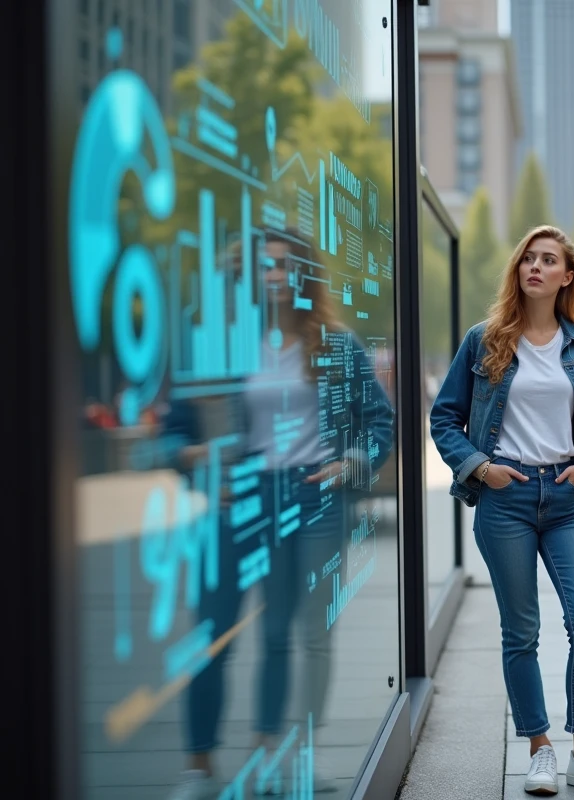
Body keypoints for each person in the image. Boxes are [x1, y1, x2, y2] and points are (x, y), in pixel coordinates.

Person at [169, 228, 396, 799]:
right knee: (212, 633)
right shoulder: (216, 347)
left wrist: (351, 464)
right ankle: (198, 767)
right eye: (261, 267)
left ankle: (284, 755)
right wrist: (194, 457)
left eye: (284, 265)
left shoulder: (336, 346)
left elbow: (381, 426)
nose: (273, 276)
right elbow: (172, 433)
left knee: (289, 634)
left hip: (312, 497)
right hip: (241, 497)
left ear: (304, 275)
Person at [429, 226, 574, 796]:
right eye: (529, 258)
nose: (536, 267)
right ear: (518, 271)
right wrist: (479, 467)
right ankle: (539, 748)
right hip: (506, 498)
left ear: (567, 276)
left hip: (566, 499)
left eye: (549, 260)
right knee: (521, 631)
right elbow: (443, 417)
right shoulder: (485, 340)